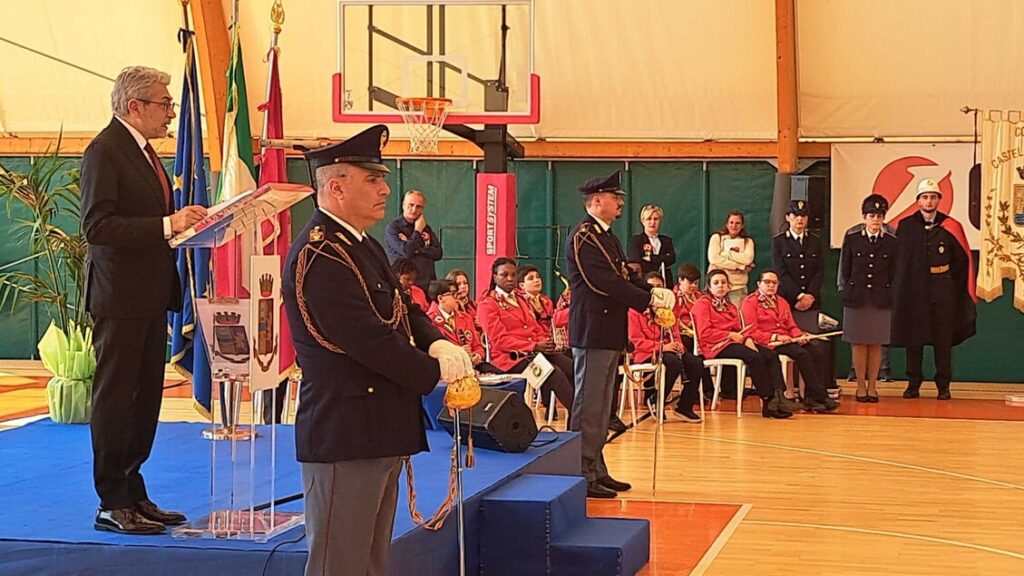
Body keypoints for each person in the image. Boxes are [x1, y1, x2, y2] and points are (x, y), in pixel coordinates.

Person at [282, 124, 474, 576]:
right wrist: (432, 372)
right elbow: (367, 340)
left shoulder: (361, 244)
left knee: (369, 562)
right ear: (336, 187)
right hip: (346, 429)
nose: (385, 189)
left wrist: (437, 340)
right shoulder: (320, 254)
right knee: (339, 563)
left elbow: (404, 307)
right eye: (372, 179)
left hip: (376, 423)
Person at [81, 66, 207, 535]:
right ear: (135, 106)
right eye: (164, 103)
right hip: (119, 297)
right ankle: (111, 500)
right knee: (118, 398)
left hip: (150, 294)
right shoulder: (105, 151)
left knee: (144, 400)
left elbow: (148, 222)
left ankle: (134, 491)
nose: (171, 113)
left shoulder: (143, 151)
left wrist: (182, 225)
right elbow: (97, 226)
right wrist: (167, 224)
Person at [564, 170, 674, 499]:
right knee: (589, 405)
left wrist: (651, 291)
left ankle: (596, 467)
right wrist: (647, 300)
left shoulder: (607, 236)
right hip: (593, 330)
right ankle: (581, 471)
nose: (621, 203)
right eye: (615, 198)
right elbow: (605, 282)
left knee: (604, 406)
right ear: (597, 201)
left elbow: (625, 273)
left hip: (609, 330)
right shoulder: (584, 236)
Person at [891, 179, 977, 400]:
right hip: (915, 291)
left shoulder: (951, 226)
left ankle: (943, 385)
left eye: (933, 197)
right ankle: (913, 383)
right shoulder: (906, 226)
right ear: (918, 201)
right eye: (924, 197)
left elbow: (962, 261)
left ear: (939, 200)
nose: (929, 201)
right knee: (914, 338)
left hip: (942, 290)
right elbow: (899, 262)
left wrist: (954, 288)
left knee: (943, 339)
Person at [476, 257, 576, 420]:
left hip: (536, 352)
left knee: (573, 368)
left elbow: (534, 328)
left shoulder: (521, 299)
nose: (510, 279)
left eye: (513, 275)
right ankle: (581, 417)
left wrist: (545, 342)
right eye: (504, 275)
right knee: (553, 374)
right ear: (494, 277)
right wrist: (534, 346)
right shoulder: (488, 304)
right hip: (510, 359)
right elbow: (499, 340)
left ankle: (576, 419)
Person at [691, 269, 797, 419]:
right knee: (754, 357)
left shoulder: (730, 306)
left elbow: (741, 329)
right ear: (709, 286)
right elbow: (705, 333)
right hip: (714, 346)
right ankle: (767, 400)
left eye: (724, 283)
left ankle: (779, 395)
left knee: (770, 354)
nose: (720, 286)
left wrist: (747, 339)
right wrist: (729, 335)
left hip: (735, 341)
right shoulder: (702, 305)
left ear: (729, 286)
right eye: (716, 283)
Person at [741, 270, 839, 412]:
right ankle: (820, 396)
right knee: (801, 354)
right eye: (767, 282)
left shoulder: (781, 302)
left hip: (787, 339)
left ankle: (810, 398)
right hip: (768, 342)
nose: (771, 285)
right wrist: (776, 337)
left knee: (816, 352)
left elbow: (791, 326)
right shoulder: (750, 302)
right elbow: (751, 331)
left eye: (774, 283)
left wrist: (799, 335)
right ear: (758, 284)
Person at [771, 200, 838, 394]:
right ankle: (788, 390)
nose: (799, 219)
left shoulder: (815, 241)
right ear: (788, 218)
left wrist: (809, 296)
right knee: (790, 344)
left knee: (812, 345)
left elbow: (820, 271)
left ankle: (809, 391)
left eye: (803, 216)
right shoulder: (779, 241)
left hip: (811, 302)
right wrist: (798, 295)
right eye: (795, 215)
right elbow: (781, 272)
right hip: (788, 301)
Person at [839, 194, 898, 403]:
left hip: (881, 298)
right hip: (856, 297)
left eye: (879, 216)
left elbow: (894, 272)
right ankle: (860, 386)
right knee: (858, 342)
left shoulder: (891, 241)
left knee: (876, 343)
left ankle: (873, 386)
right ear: (864, 217)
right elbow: (845, 268)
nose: (875, 220)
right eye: (872, 215)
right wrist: (844, 290)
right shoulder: (853, 238)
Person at [628, 273, 704, 422]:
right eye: (652, 287)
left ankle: (684, 406)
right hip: (647, 352)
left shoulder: (667, 310)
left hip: (668, 349)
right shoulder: (634, 311)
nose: (657, 290)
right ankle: (657, 399)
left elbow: (675, 332)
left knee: (696, 363)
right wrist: (662, 346)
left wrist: (679, 345)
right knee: (673, 363)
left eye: (659, 286)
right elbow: (636, 342)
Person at [427, 280, 499, 374]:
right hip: (448, 369)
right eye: (453, 294)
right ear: (440, 298)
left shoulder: (466, 318)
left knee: (503, 377)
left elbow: (477, 346)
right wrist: (459, 352)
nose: (457, 297)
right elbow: (433, 353)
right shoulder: (429, 321)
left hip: (473, 365)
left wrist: (477, 355)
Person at [384, 189, 442, 290]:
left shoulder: (425, 228)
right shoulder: (393, 228)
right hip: (407, 286)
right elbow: (407, 252)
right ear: (403, 205)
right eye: (410, 205)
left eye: (418, 206)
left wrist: (416, 249)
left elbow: (438, 253)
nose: (414, 209)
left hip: (428, 284)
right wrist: (417, 231)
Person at [707, 211, 755, 307]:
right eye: (731, 222)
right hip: (716, 287)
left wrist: (726, 254)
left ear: (742, 225)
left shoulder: (748, 241)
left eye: (738, 223)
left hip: (738, 287)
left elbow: (747, 259)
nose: (734, 226)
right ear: (727, 224)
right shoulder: (716, 238)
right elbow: (714, 259)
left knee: (736, 314)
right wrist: (739, 266)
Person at [628, 204, 677, 286]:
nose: (652, 222)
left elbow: (672, 258)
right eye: (649, 219)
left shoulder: (666, 240)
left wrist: (651, 259)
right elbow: (636, 261)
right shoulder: (636, 240)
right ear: (643, 221)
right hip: (644, 282)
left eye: (656, 219)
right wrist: (662, 258)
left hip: (665, 281)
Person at [517, 264, 556, 339]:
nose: (536, 280)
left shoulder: (547, 301)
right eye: (531, 278)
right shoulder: (520, 302)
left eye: (538, 277)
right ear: (522, 285)